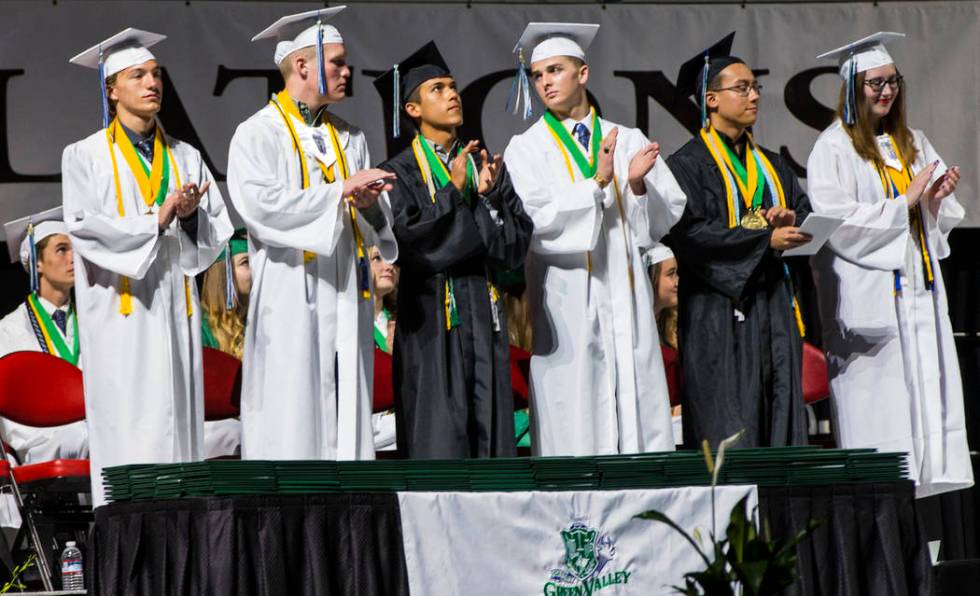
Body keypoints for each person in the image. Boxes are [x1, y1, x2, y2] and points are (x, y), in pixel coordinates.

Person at [62, 29, 233, 506]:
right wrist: (153, 221)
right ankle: (128, 529)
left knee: (178, 423)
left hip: (176, 311)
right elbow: (83, 229)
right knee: (129, 421)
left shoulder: (186, 156)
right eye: (137, 75)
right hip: (123, 313)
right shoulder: (84, 155)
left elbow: (216, 233)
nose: (151, 83)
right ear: (111, 88)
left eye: (156, 74)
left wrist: (191, 216)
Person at [503, 23, 686, 456]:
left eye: (555, 70)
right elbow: (535, 222)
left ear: (582, 74)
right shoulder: (526, 149)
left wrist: (637, 186)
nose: (545, 81)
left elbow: (658, 224)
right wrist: (598, 183)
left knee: (634, 396)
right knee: (574, 401)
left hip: (625, 296)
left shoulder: (627, 140)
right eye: (538, 74)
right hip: (566, 298)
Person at [227, 8, 398, 460]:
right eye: (337, 62)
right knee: (293, 409)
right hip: (290, 293)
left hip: (345, 290)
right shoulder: (257, 134)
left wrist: (369, 210)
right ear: (302, 65)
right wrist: (339, 191)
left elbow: (370, 220)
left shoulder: (351, 137)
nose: (347, 71)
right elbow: (260, 208)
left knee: (347, 412)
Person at [808, 32, 972, 498]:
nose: (886, 91)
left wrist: (935, 201)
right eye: (874, 83)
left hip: (920, 293)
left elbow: (933, 221)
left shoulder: (913, 142)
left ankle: (928, 523)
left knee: (927, 414)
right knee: (881, 415)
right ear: (852, 89)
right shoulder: (833, 148)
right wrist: (905, 201)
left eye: (892, 81)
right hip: (872, 301)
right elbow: (836, 224)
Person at [374, 42, 533, 459]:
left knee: (493, 447)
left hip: (485, 319)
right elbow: (413, 247)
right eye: (438, 89)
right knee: (439, 445)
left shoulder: (485, 163)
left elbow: (512, 250)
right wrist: (456, 193)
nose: (452, 94)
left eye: (453, 86)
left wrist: (492, 198)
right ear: (412, 109)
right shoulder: (397, 173)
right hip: (430, 325)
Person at [666, 37, 812, 448]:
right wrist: (763, 238)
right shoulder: (686, 165)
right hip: (718, 310)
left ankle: (783, 514)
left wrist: (790, 221)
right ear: (710, 99)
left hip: (773, 305)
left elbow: (800, 209)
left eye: (755, 87)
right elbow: (689, 233)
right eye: (741, 87)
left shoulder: (771, 163)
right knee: (728, 418)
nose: (753, 96)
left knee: (779, 410)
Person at [0, 207, 87, 464]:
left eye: (75, 249)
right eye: (62, 250)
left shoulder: (92, 326)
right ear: (37, 262)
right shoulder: (9, 330)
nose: (73, 258)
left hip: (90, 431)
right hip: (41, 440)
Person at [200, 229, 250, 359]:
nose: (256, 269)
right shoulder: (201, 330)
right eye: (246, 262)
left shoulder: (256, 321)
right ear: (225, 273)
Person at [369, 246, 398, 451]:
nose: (388, 266)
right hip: (372, 430)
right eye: (377, 258)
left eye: (392, 260)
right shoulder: (346, 325)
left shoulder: (400, 321)